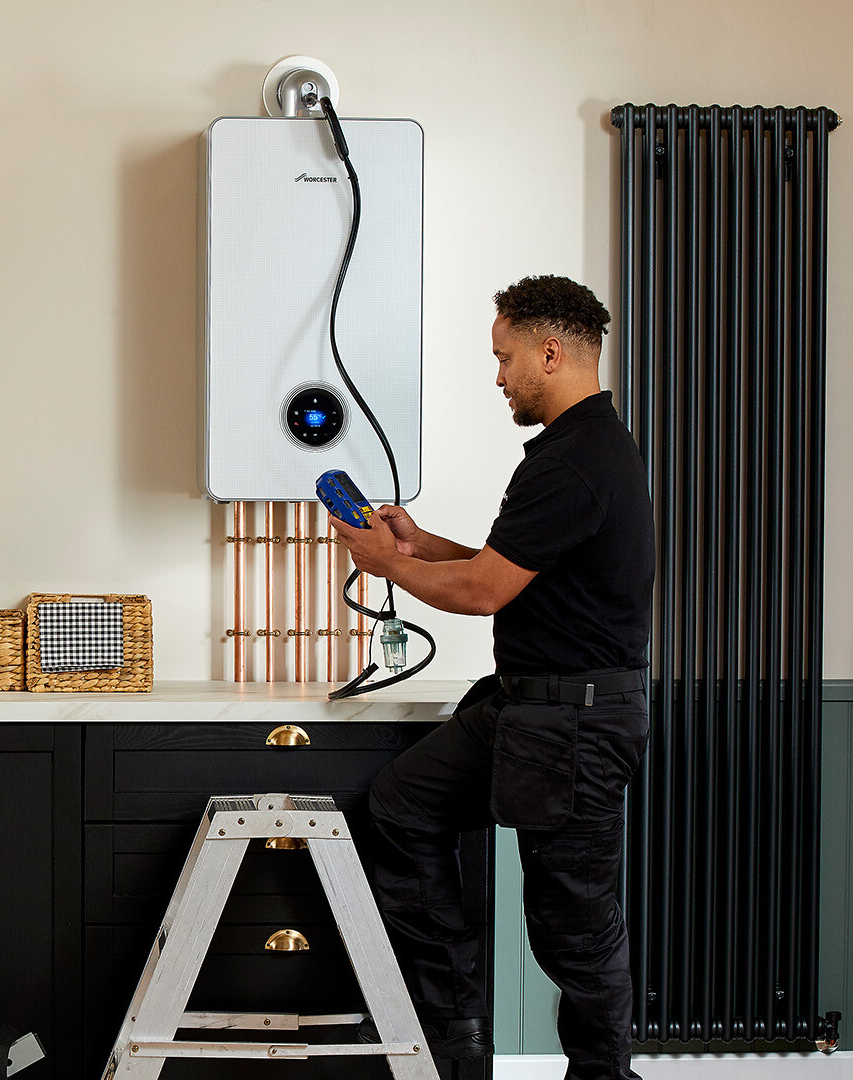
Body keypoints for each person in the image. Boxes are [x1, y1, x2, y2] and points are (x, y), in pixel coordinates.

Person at [328, 275, 655, 1080]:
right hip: (526, 710)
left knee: (572, 926)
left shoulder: (579, 460)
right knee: (400, 809)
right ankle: (456, 1033)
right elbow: (510, 566)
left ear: (551, 352)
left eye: (506, 358)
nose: (499, 376)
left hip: (574, 727)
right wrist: (419, 541)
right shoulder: (579, 451)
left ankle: (604, 1077)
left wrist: (384, 568)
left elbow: (483, 594)